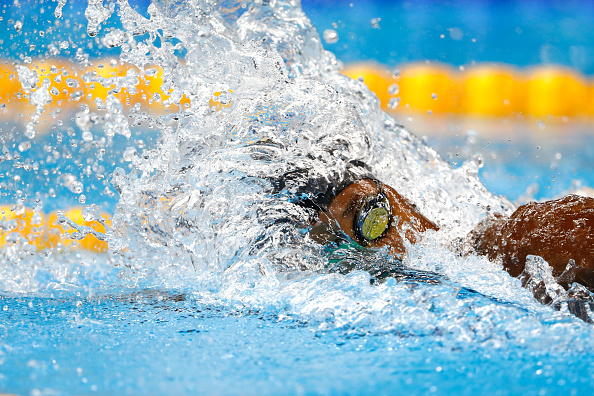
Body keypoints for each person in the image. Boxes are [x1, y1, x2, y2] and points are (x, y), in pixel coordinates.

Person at [306, 170, 594, 296]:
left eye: (369, 215)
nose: (369, 245)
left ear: (397, 199)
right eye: (337, 242)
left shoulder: (512, 240)